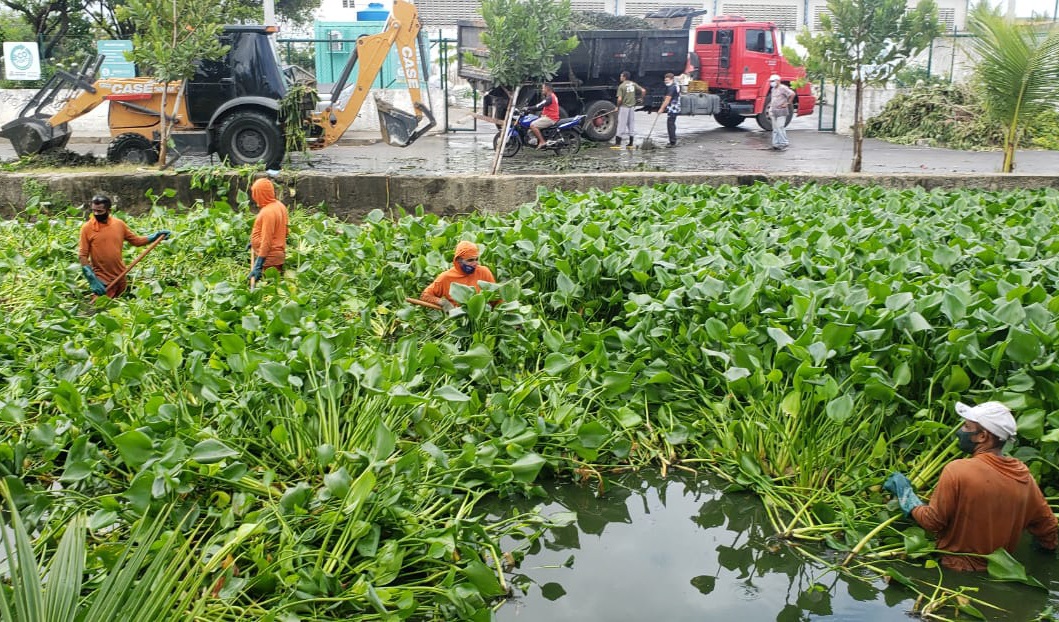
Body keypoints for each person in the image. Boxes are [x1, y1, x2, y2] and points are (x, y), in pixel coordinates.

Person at [884, 401, 1057, 572]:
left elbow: (932, 522)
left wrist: (906, 495)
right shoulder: (1024, 477)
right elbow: (1048, 529)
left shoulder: (957, 470)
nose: (960, 432)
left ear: (982, 436)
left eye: (966, 427)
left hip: (953, 570)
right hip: (999, 571)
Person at [78, 194, 168, 298]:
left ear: (109, 211)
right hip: (101, 277)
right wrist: (91, 278)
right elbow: (82, 255)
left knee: (118, 306)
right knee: (100, 306)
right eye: (94, 211)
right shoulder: (87, 228)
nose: (96, 214)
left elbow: (136, 241)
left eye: (100, 211)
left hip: (120, 274)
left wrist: (155, 236)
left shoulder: (118, 224)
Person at [420, 241, 496, 311]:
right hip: (458, 320)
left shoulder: (484, 272)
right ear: (459, 261)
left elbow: (496, 298)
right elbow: (425, 296)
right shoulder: (446, 277)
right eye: (470, 260)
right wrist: (443, 303)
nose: (475, 263)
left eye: (476, 259)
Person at [249, 177, 289, 283]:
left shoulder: (268, 212)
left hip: (269, 259)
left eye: (256, 194)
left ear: (260, 195)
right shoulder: (280, 206)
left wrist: (258, 264)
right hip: (278, 256)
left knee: (268, 286)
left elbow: (267, 240)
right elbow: (286, 231)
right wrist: (253, 243)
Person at [613, 71, 646, 149]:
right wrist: (641, 98)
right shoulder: (633, 84)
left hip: (624, 107)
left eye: (621, 76)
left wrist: (617, 107)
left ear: (624, 77)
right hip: (631, 107)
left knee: (621, 124)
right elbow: (643, 90)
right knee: (631, 124)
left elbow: (620, 99)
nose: (620, 77)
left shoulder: (621, 86)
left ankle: (617, 144)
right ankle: (630, 143)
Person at [527, 83, 560, 150]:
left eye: (543, 88)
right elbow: (541, 107)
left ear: (547, 89)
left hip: (550, 118)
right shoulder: (552, 96)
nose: (542, 90)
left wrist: (528, 108)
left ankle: (542, 141)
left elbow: (539, 105)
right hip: (549, 117)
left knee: (533, 125)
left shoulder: (550, 97)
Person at [767, 74, 795, 151]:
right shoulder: (773, 89)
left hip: (781, 111)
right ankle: (775, 144)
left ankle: (784, 143)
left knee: (780, 127)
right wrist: (770, 110)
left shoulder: (783, 88)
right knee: (775, 129)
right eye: (771, 81)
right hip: (774, 111)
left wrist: (787, 103)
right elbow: (773, 100)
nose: (771, 83)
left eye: (773, 81)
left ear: (778, 81)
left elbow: (792, 94)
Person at [658, 72, 681, 148]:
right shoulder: (675, 86)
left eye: (667, 80)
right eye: (665, 80)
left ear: (672, 79)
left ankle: (672, 142)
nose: (666, 82)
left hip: (673, 108)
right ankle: (673, 141)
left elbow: (667, 99)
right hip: (675, 107)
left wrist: (661, 109)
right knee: (672, 124)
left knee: (670, 124)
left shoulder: (671, 87)